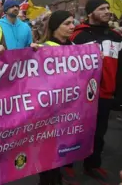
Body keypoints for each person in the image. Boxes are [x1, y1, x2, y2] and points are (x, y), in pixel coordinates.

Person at [66, 0, 122, 182]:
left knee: (99, 133)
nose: (107, 11)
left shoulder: (117, 37)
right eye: (102, 8)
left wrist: (120, 94)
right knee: (75, 130)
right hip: (82, 96)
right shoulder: (77, 37)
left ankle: (93, 164)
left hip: (106, 94)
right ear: (91, 13)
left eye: (108, 8)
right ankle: (67, 164)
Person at [36, 10, 75, 185]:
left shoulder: (76, 48)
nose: (72, 27)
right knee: (49, 154)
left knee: (61, 151)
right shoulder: (44, 48)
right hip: (50, 113)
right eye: (67, 24)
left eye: (72, 22)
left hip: (70, 109)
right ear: (55, 28)